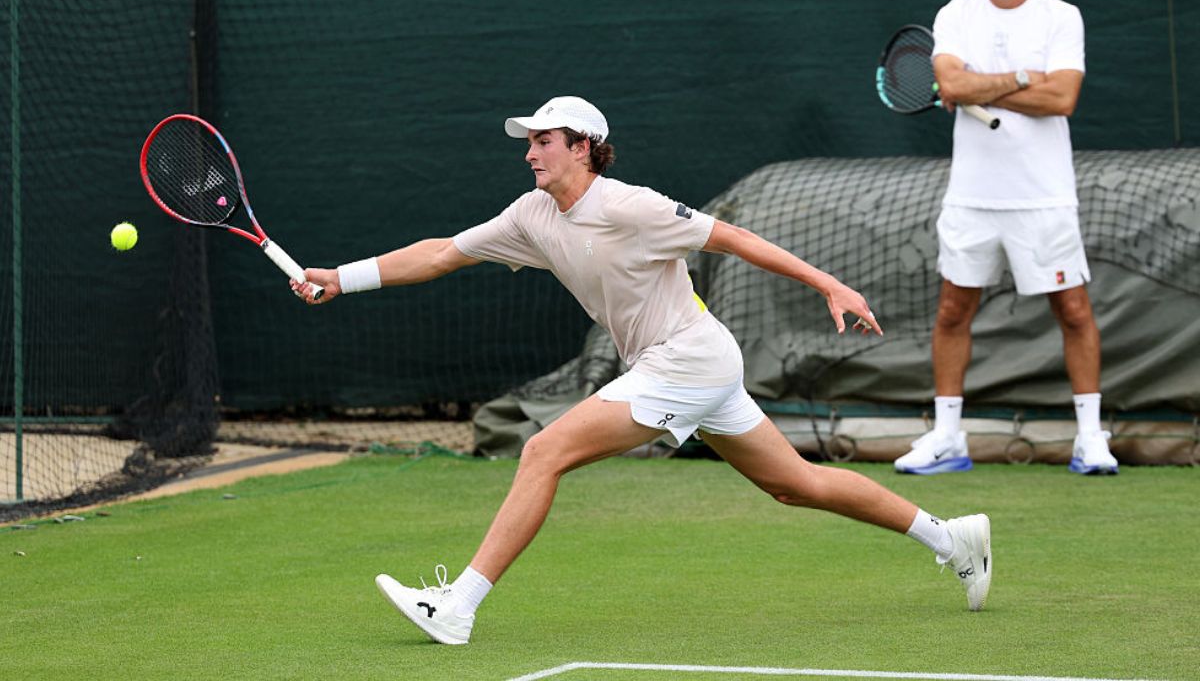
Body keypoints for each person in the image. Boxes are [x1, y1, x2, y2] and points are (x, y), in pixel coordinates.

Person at [292, 95, 993, 645]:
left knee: (543, 451)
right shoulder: (533, 214)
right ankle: (951, 537)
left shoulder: (634, 206)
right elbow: (444, 252)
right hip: (688, 363)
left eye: (544, 140)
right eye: (529, 141)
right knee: (796, 485)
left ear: (583, 148)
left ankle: (458, 606)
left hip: (688, 358)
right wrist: (342, 279)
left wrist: (829, 284)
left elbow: (734, 237)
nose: (530, 152)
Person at [895, 0, 1116, 477]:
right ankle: (948, 437)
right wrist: (1022, 78)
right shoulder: (957, 14)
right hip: (971, 197)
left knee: (1073, 309)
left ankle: (1090, 437)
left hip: (1044, 196)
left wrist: (979, 87)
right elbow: (949, 84)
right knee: (952, 310)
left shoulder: (1061, 16)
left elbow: (1062, 97)